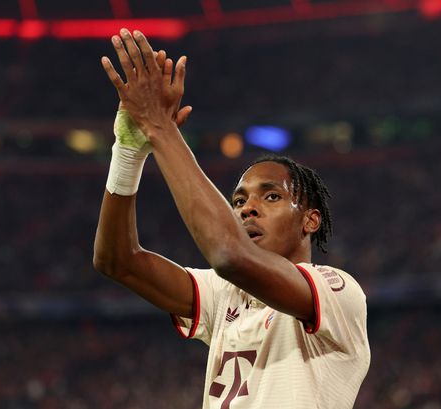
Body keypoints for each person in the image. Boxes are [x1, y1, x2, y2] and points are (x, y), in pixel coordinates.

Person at [93, 28, 370, 409]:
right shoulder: (226, 295)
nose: (247, 209)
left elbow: (228, 254)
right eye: (238, 201)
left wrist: (159, 127)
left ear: (310, 221)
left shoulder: (337, 291)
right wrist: (128, 153)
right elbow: (117, 261)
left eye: (271, 196)